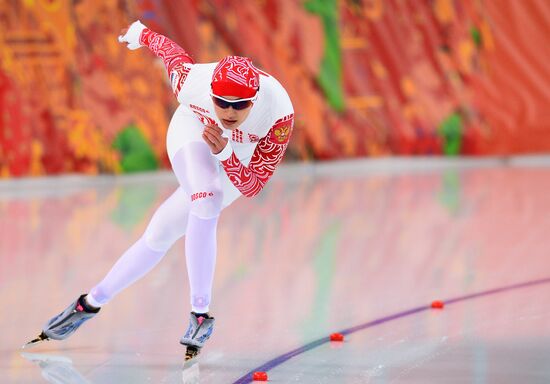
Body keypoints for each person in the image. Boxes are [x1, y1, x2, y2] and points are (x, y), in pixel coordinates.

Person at [27, 20, 294, 361]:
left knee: (160, 234)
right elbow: (171, 53)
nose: (229, 112)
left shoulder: (279, 114)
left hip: (236, 157)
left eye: (240, 105)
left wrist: (226, 153)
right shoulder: (192, 84)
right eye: (221, 101)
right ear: (210, 92)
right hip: (192, 132)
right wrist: (141, 34)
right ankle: (201, 314)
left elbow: (253, 184)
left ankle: (89, 303)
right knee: (207, 197)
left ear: (255, 100)